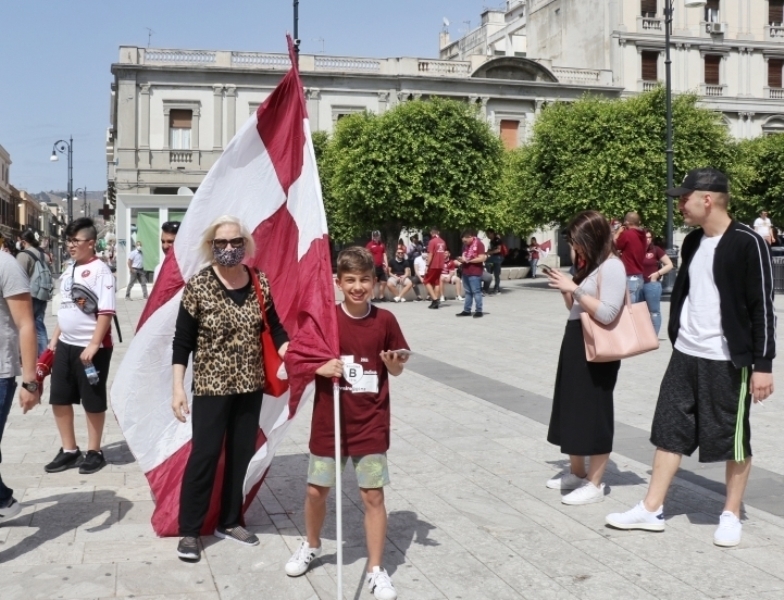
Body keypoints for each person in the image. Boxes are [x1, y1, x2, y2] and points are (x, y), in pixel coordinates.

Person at [606, 168, 775, 547]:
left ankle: (731, 513)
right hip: (686, 353)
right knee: (669, 429)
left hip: (727, 358)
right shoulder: (694, 241)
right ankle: (651, 508)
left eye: (685, 198)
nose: (679, 204)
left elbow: (763, 307)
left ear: (708, 199)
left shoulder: (749, 242)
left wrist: (763, 365)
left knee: (731, 437)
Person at [284, 246, 408, 600]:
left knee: (372, 495)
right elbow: (296, 358)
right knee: (314, 490)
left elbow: (397, 366)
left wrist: (392, 362)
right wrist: (319, 367)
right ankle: (310, 544)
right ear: (338, 282)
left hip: (370, 422)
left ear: (374, 282)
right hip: (329, 422)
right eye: (350, 280)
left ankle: (376, 568)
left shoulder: (385, 321)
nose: (358, 286)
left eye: (365, 280)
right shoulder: (325, 321)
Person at [171, 215, 289, 562]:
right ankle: (190, 531)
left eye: (235, 242)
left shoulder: (258, 282)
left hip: (250, 385)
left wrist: (294, 354)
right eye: (221, 243)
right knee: (205, 457)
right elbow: (182, 341)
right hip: (211, 386)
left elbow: (277, 329)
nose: (228, 248)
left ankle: (230, 520)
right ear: (211, 246)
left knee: (240, 456)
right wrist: (177, 387)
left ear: (245, 245)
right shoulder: (199, 285)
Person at [545, 210, 626, 505]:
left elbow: (607, 312)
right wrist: (566, 288)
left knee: (594, 411)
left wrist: (575, 288)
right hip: (577, 342)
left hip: (598, 349)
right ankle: (577, 472)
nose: (575, 246)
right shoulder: (593, 266)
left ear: (592, 238)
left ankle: (595, 483)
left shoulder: (613, 266)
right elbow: (576, 310)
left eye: (578, 240)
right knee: (571, 406)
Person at [45, 218, 116, 476]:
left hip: (91, 348)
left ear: (90, 243)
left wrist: (95, 344)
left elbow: (106, 310)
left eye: (75, 240)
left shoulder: (101, 271)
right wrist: (55, 337)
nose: (70, 245)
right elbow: (67, 305)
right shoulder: (69, 268)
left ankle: (94, 451)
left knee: (92, 400)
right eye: (69, 240)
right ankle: (69, 450)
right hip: (65, 344)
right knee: (59, 398)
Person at [0, 250, 41, 524]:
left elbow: (26, 324)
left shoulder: (6, 265)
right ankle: (3, 499)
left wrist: (30, 380)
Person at [16, 229, 51, 355]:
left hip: (30, 294)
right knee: (39, 322)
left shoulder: (23, 255)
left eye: (19, 241)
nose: (18, 243)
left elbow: (19, 276)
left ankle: (33, 353)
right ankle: (44, 354)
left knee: (27, 324)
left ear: (24, 242)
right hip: (43, 293)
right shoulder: (44, 255)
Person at [641, 230, 674, 336]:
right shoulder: (636, 249)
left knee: (654, 311)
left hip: (652, 284)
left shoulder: (656, 250)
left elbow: (669, 264)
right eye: (645, 237)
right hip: (637, 284)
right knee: (639, 311)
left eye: (649, 237)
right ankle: (642, 335)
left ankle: (653, 336)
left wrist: (657, 274)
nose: (647, 240)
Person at [613, 211, 647, 303]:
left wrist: (618, 233)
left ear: (627, 222)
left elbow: (615, 245)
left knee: (630, 308)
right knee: (637, 305)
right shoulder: (642, 234)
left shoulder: (628, 234)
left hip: (630, 275)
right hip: (639, 276)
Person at [455, 228, 487, 318]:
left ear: (470, 237)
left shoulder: (479, 244)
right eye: (463, 241)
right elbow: (464, 255)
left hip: (475, 272)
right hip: (466, 271)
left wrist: (469, 260)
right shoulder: (465, 246)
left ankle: (479, 310)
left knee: (476, 291)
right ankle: (467, 310)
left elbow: (481, 258)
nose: (464, 243)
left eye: (465, 240)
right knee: (468, 292)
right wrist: (462, 259)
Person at [424, 228, 446, 309]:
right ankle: (435, 301)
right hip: (441, 264)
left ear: (431, 233)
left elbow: (430, 254)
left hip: (433, 264)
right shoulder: (443, 241)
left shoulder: (432, 241)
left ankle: (435, 299)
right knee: (436, 282)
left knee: (426, 281)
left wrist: (427, 265)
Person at [366, 231, 388, 302]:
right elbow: (366, 254)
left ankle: (382, 296)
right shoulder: (370, 245)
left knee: (384, 281)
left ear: (379, 236)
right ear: (373, 236)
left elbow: (384, 254)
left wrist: (386, 263)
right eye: (374, 236)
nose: (376, 237)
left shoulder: (382, 245)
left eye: (377, 236)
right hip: (373, 266)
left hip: (380, 266)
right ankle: (373, 297)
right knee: (373, 282)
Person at [485, 228, 503, 294]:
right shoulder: (491, 241)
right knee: (489, 271)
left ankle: (497, 288)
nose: (487, 235)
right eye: (487, 234)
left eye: (488, 234)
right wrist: (486, 253)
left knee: (496, 274)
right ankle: (489, 288)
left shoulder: (497, 240)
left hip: (497, 258)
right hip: (493, 258)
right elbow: (489, 250)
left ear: (492, 233)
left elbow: (498, 250)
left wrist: (489, 253)